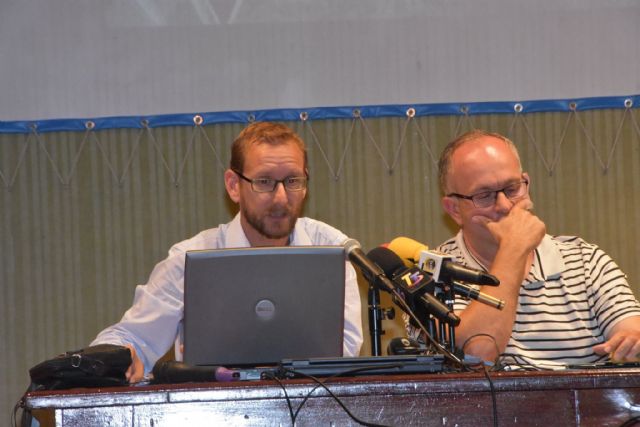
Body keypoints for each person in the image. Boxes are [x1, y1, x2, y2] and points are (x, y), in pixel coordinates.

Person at [92, 122, 363, 382]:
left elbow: (346, 350)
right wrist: (122, 356)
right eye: (264, 181)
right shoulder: (190, 259)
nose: (281, 197)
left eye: (293, 180)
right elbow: (130, 338)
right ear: (234, 185)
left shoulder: (334, 250)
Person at [409, 129, 640, 369]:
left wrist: (631, 342)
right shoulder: (429, 275)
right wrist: (513, 249)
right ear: (454, 209)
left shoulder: (586, 261)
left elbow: (631, 331)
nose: (505, 206)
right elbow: (477, 354)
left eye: (512, 189)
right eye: (484, 195)